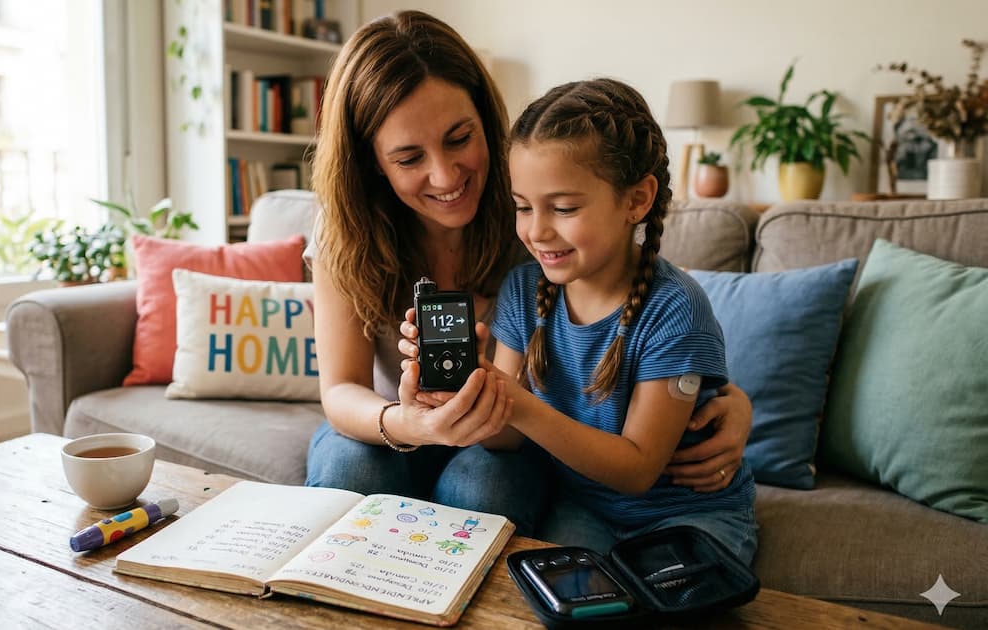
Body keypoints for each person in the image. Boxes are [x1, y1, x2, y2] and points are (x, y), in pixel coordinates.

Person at [305, 10, 753, 538]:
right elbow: (340, 392)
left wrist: (735, 404)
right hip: (393, 426)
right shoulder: (350, 232)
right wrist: (412, 422)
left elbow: (643, 324)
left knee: (484, 485)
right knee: (348, 467)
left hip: (503, 443)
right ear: (373, 162)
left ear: (485, 120)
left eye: (458, 138)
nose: (446, 176)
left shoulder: (533, 211)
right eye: (408, 158)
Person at [462, 78, 756, 562]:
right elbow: (508, 436)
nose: (536, 230)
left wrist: (516, 402)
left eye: (564, 207)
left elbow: (638, 470)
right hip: (588, 507)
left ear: (636, 200)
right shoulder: (521, 289)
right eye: (522, 207)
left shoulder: (675, 308)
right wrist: (480, 390)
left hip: (690, 513)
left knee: (666, 602)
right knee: (549, 595)